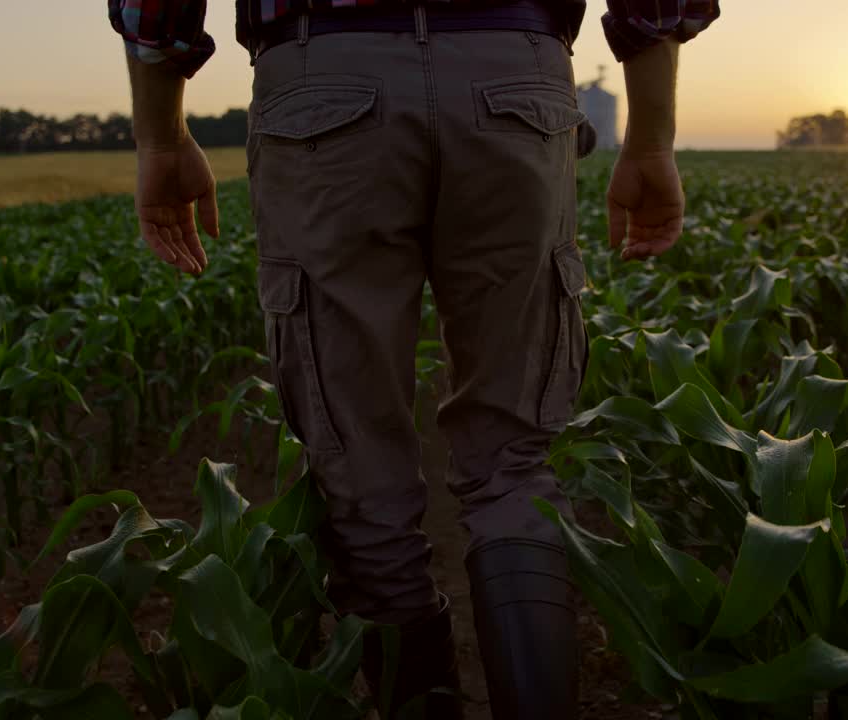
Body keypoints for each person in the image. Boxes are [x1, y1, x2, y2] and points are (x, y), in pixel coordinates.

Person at [109, 0, 719, 717]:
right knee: (514, 460)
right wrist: (650, 142)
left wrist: (158, 136)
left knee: (360, 473)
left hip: (320, 79)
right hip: (513, 69)